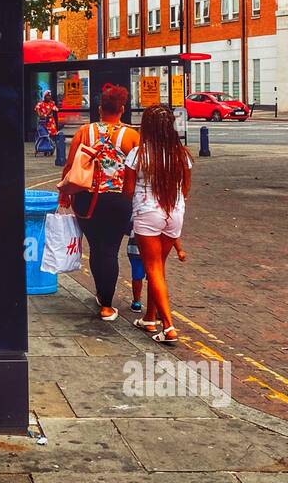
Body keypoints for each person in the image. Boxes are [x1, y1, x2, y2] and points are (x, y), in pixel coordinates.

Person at [59, 82, 139, 321]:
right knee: (111, 250)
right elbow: (141, 170)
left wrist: (65, 193)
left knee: (96, 248)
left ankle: (100, 294)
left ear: (100, 108)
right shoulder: (132, 136)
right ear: (122, 109)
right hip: (118, 201)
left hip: (86, 199)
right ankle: (106, 304)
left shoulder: (85, 132)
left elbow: (70, 164)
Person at [123, 103, 192, 345]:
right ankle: (150, 317)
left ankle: (169, 327)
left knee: (152, 268)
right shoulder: (180, 153)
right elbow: (185, 188)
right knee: (158, 269)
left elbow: (128, 190)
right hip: (174, 213)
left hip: (147, 212)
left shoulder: (138, 154)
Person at [127, 226, 145, 313]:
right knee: (155, 276)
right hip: (154, 248)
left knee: (137, 276)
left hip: (135, 247)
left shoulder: (136, 212)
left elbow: (127, 226)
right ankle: (155, 306)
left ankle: (136, 303)